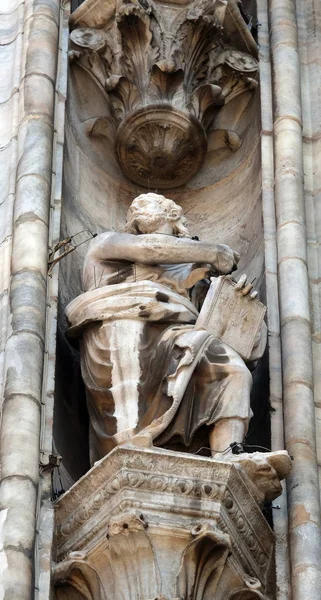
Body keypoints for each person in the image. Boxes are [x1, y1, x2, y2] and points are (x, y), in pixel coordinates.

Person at [66, 193, 266, 464]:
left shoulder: (194, 274)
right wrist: (214, 253)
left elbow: (236, 335)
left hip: (177, 338)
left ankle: (228, 454)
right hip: (118, 327)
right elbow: (149, 249)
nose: (140, 208)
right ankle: (129, 449)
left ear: (176, 219)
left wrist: (242, 302)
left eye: (155, 205)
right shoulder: (106, 244)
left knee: (234, 370)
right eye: (136, 207)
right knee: (127, 341)